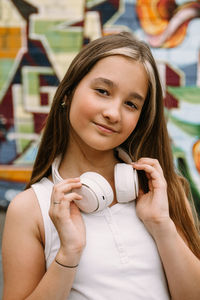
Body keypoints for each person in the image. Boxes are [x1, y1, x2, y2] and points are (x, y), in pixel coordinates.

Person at [2, 32, 200, 300]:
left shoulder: (162, 192)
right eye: (103, 91)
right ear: (69, 92)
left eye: (131, 104)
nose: (113, 113)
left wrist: (161, 224)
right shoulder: (30, 209)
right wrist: (68, 255)